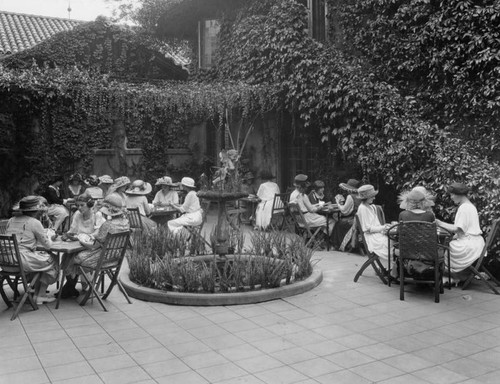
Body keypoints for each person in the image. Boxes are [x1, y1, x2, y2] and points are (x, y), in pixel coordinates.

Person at [61, 194, 130, 297]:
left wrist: (82, 241)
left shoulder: (107, 225)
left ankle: (81, 285)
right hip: (115, 257)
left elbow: (94, 246)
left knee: (72, 257)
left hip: (102, 259)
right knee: (71, 255)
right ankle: (76, 286)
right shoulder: (126, 222)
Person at [5, 196, 58, 304]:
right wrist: (50, 237)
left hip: (6, 261)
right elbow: (47, 245)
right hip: (20, 261)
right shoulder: (34, 222)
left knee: (40, 258)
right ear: (36, 211)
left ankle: (34, 290)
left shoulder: (11, 220)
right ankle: (40, 295)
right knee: (53, 259)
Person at [436, 182, 485, 283]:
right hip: (475, 242)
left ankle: (449, 277)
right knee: (448, 242)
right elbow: (463, 230)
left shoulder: (465, 208)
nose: (452, 197)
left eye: (452, 195)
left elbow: (457, 229)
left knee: (444, 247)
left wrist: (439, 223)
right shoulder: (469, 206)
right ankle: (452, 277)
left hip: (470, 244)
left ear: (459, 195)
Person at [356, 184, 391, 262]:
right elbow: (367, 229)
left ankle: (395, 267)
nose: (374, 198)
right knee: (391, 243)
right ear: (366, 197)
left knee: (393, 240)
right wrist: (383, 228)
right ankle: (395, 268)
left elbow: (376, 225)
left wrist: (384, 226)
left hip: (376, 234)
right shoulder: (363, 208)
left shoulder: (371, 207)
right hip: (371, 238)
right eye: (372, 196)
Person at [332, 178, 361, 251]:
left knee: (338, 224)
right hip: (360, 219)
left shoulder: (350, 196)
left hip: (354, 220)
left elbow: (344, 210)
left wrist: (338, 202)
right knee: (340, 222)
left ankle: (338, 245)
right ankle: (346, 245)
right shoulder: (360, 195)